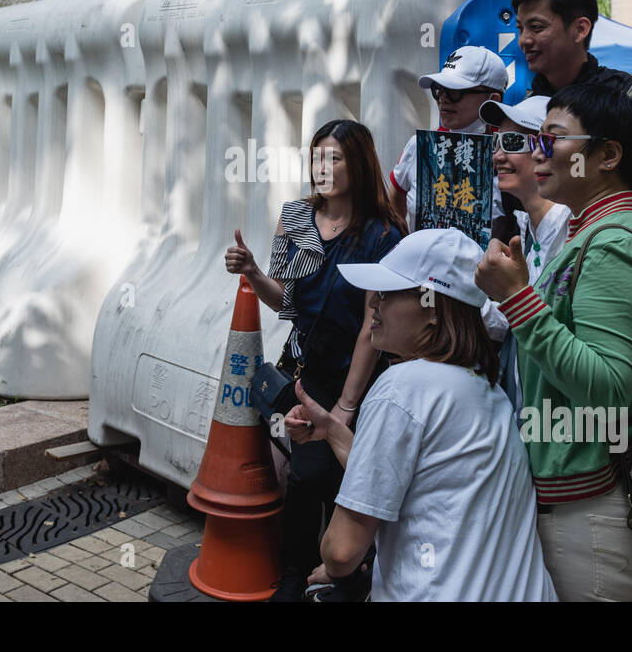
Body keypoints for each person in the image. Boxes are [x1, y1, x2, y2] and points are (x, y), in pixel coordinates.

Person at [474, 83, 632, 602]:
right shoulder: (593, 234)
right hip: (581, 500)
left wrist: (517, 299)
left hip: (594, 510)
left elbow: (609, 390)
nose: (536, 151)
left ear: (607, 156)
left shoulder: (614, 246)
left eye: (553, 138)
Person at [285, 228, 556, 602]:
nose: (373, 304)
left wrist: (331, 569)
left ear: (432, 308)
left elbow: (342, 551)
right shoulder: (486, 387)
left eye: (388, 293)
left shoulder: (402, 386)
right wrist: (333, 431)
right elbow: (401, 481)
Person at [224, 119, 403, 601]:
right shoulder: (296, 218)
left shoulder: (382, 234)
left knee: (329, 472)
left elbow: (373, 323)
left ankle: (336, 571)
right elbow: (284, 299)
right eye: (318, 157)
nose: (323, 168)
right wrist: (254, 270)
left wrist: (346, 404)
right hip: (299, 369)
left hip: (354, 376)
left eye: (335, 158)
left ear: (359, 164)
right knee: (312, 471)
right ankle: (304, 572)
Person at [512, 0, 632, 273]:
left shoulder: (629, 101)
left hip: (610, 273)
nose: (524, 40)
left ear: (580, 29)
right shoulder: (523, 109)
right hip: (542, 280)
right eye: (520, 28)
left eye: (537, 27)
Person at [476, 95, 571, 412]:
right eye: (496, 142)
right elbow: (515, 320)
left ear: (547, 149)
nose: (498, 155)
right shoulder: (527, 226)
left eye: (513, 142)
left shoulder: (575, 226)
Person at [390, 45, 511, 237]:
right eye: (439, 90)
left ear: (493, 100)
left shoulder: (510, 156)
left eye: (455, 91)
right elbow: (396, 197)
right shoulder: (418, 147)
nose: (443, 99)